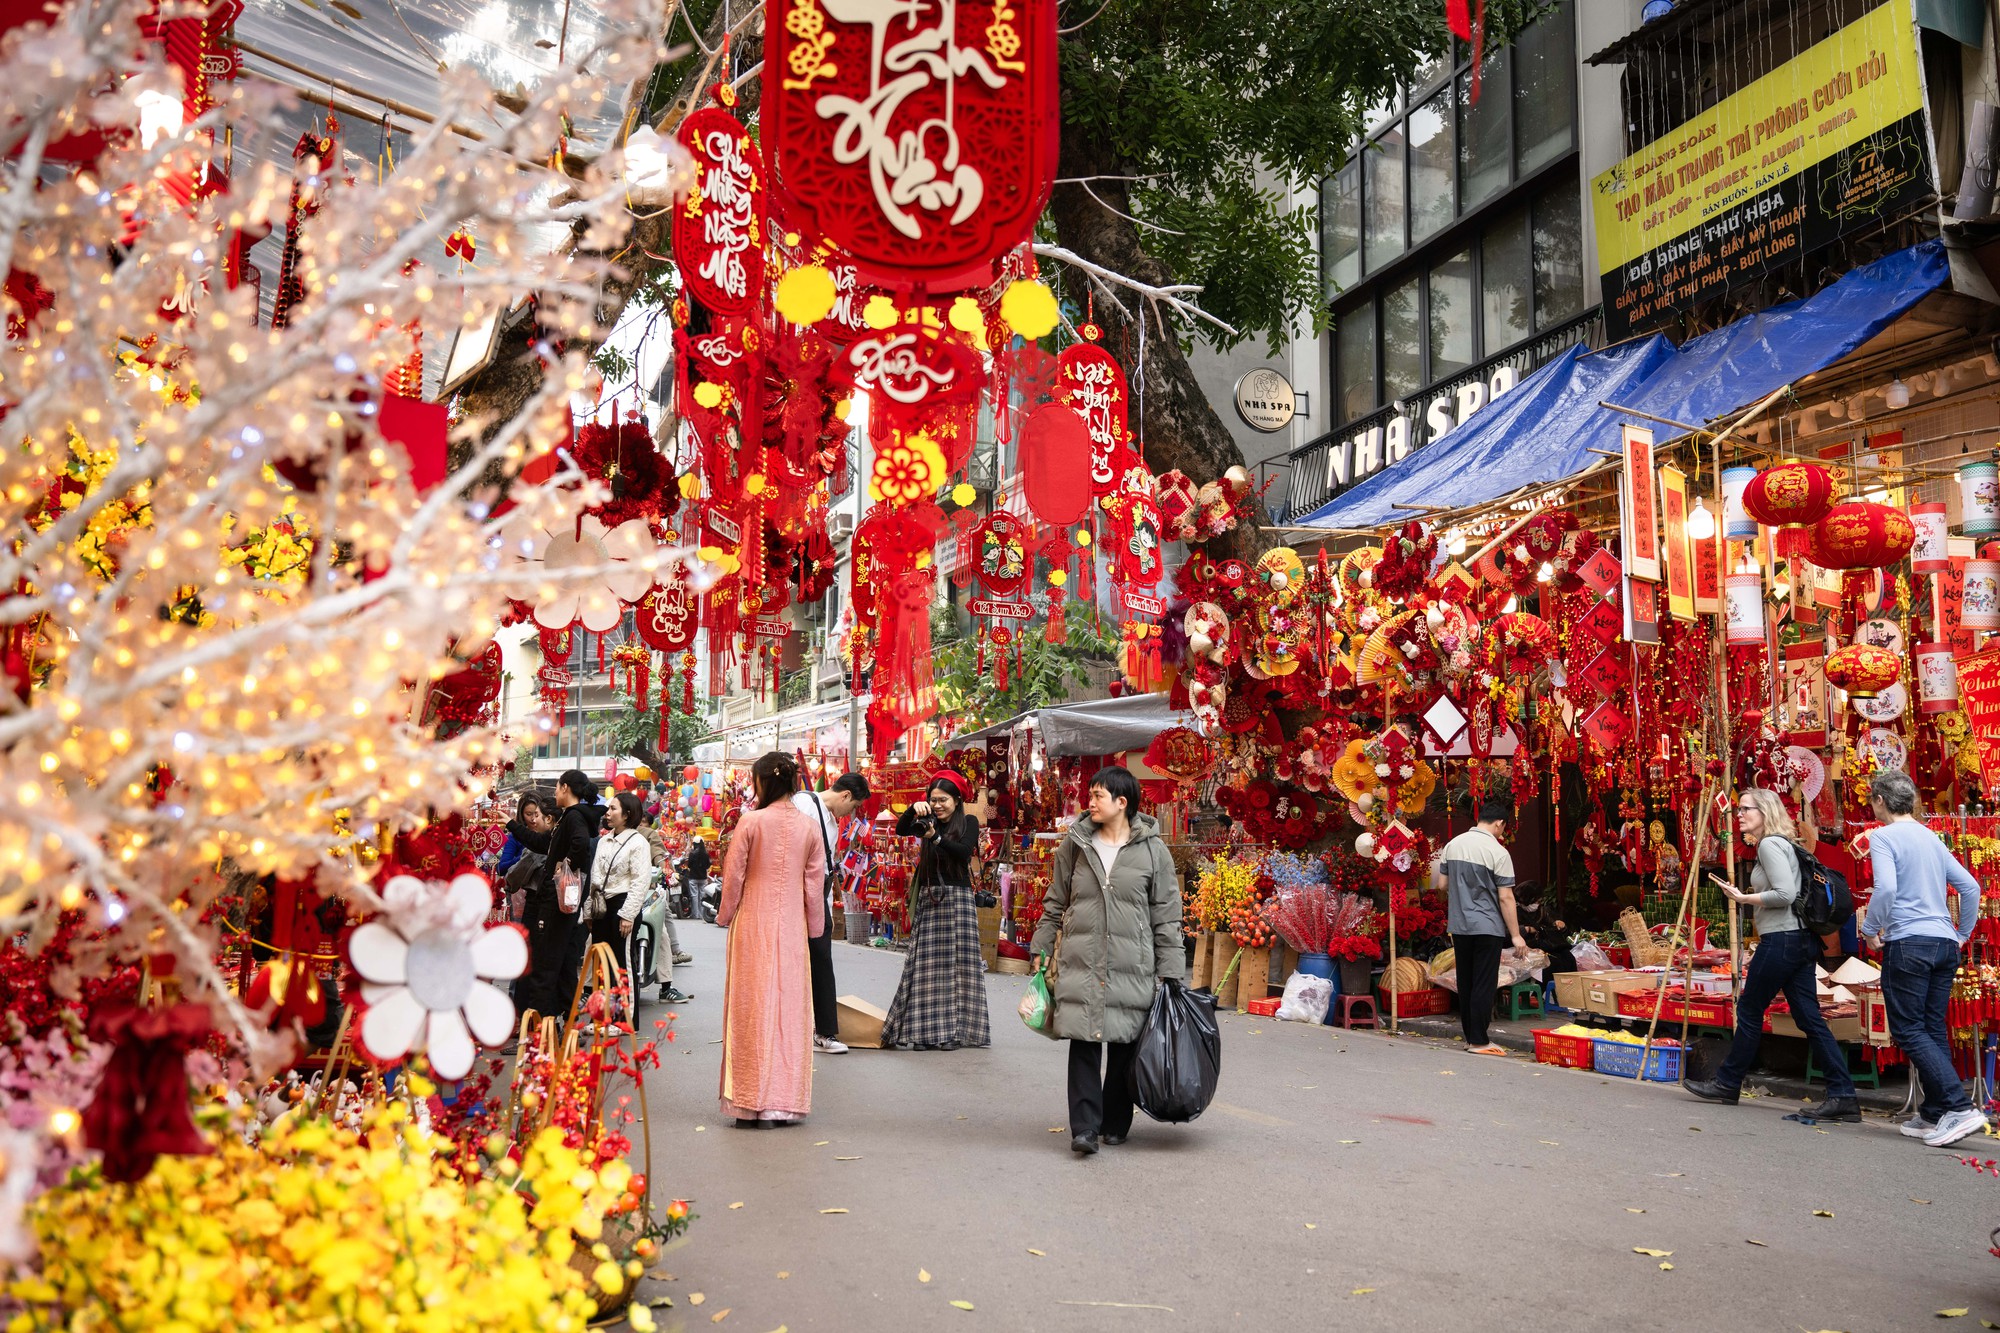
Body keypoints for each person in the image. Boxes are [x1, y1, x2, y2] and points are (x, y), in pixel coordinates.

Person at [1031, 766, 1184, 1156]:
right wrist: (1042, 945)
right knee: (1083, 1041)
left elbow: (1166, 915)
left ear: (1122, 802)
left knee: (1123, 1043)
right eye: (1092, 794)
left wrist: (1171, 971)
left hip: (1132, 962)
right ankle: (1084, 1128)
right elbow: (1055, 900)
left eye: (1099, 795)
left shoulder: (1153, 851)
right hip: (1081, 958)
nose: (1091, 802)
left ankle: (1115, 1122)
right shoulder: (1076, 844)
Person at [1685, 788, 1858, 1119]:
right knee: (1809, 1017)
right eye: (1739, 809)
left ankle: (1727, 1082)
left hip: (1781, 941)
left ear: (1764, 811)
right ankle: (1843, 1094)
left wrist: (1743, 898)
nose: (1740, 814)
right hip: (1798, 941)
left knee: (1749, 1009)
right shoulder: (1784, 843)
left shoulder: (1769, 844)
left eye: (1746, 809)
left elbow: (1785, 893)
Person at [1861, 770, 1988, 1146]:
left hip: (1909, 942)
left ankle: (1958, 1106)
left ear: (1880, 801)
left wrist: (1869, 930)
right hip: (1943, 943)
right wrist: (1962, 933)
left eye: (1872, 800)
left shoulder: (1882, 836)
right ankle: (1935, 1111)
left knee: (1908, 1029)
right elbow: (1970, 887)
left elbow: (1885, 890)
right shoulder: (1930, 836)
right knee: (1931, 1028)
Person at [717, 752, 825, 1126]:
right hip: (792, 926)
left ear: (763, 782)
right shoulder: (810, 828)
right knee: (789, 1008)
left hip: (753, 923)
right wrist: (815, 928)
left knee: (750, 1005)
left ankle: (748, 1103)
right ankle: (780, 1104)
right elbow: (815, 886)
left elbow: (734, 877)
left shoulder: (750, 822)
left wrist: (724, 914)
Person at [879, 769, 992, 1051]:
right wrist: (911, 810)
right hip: (931, 897)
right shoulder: (927, 819)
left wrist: (935, 837)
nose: (938, 805)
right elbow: (902, 830)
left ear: (957, 799)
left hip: (958, 898)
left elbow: (964, 851)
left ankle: (954, 1032)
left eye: (943, 800)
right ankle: (923, 1032)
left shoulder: (968, 821)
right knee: (925, 966)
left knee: (958, 966)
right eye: (933, 799)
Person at [1434, 800, 1527, 1055]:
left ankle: (1471, 1037)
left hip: (1460, 925)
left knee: (1466, 981)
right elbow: (1506, 897)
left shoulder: (1452, 845)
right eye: (1503, 828)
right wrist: (1517, 936)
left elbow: (1441, 886)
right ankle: (1479, 1041)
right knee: (1484, 983)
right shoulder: (1498, 852)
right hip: (1487, 926)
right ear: (1499, 824)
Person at [794, 772, 872, 1054]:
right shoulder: (803, 804)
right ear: (846, 796)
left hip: (819, 899)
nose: (851, 813)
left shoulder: (831, 820)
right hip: (799, 899)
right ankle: (808, 1030)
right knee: (802, 964)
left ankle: (824, 1032)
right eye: (853, 807)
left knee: (821, 962)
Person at [520, 771, 600, 1021]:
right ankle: (567, 1020)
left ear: (565, 788)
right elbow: (544, 843)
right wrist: (512, 825)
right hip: (561, 903)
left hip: (555, 901)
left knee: (546, 962)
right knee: (564, 962)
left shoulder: (574, 817)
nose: (554, 793)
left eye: (556, 787)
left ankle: (541, 1027)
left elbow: (581, 845)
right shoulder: (570, 817)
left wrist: (566, 864)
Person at [589, 791, 649, 996]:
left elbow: (640, 881)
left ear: (626, 815)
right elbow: (595, 878)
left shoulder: (638, 842)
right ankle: (601, 1017)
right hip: (601, 907)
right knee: (600, 962)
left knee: (621, 964)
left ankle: (622, 1018)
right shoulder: (603, 841)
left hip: (622, 907)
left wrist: (628, 914)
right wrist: (590, 911)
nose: (607, 812)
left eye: (613, 808)